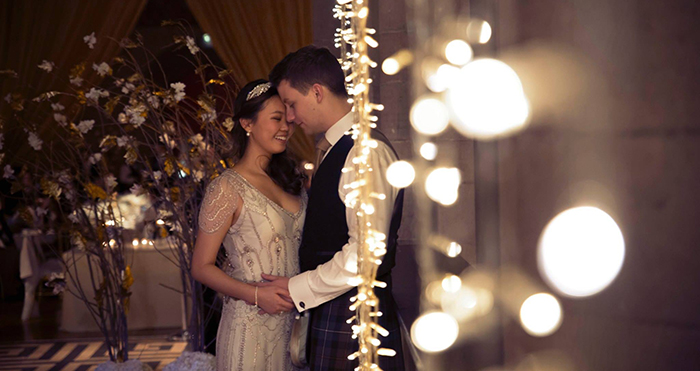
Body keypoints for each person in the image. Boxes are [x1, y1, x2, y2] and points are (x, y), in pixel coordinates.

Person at [262, 45, 406, 370]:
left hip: (357, 318)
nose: (289, 117)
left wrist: (297, 287)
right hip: (337, 309)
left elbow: (366, 254)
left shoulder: (364, 152)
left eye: (290, 104)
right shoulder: (336, 149)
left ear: (316, 92)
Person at [191, 79, 307, 370]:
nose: (286, 127)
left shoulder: (293, 182)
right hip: (248, 329)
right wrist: (257, 295)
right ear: (247, 123)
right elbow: (201, 266)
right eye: (276, 119)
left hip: (293, 330)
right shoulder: (226, 188)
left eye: (288, 120)